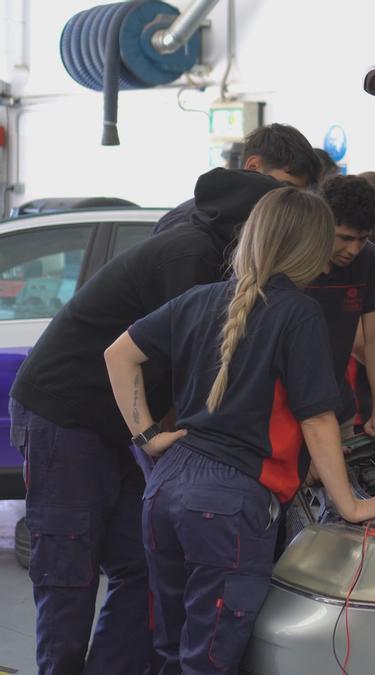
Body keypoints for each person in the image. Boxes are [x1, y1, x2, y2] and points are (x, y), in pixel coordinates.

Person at [104, 187, 375, 673]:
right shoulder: (298, 312)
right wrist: (349, 504)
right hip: (228, 503)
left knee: (171, 652)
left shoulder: (198, 300)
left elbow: (119, 355)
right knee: (211, 658)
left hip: (165, 488)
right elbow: (318, 419)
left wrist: (147, 437)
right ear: (310, 246)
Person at [8, 168, 281, 674]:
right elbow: (191, 357)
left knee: (143, 564)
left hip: (114, 423)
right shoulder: (191, 256)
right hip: (65, 414)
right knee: (69, 568)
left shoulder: (216, 253)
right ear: (250, 225)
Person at [308, 175, 375, 436]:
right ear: (320, 224)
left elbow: (373, 340)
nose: (354, 250)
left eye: (362, 239)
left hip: (339, 411)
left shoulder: (367, 257)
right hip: (289, 416)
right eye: (345, 238)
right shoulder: (292, 261)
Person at [153, 123, 320, 234]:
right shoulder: (189, 222)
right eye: (285, 188)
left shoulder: (256, 226)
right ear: (253, 166)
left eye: (298, 194)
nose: (290, 202)